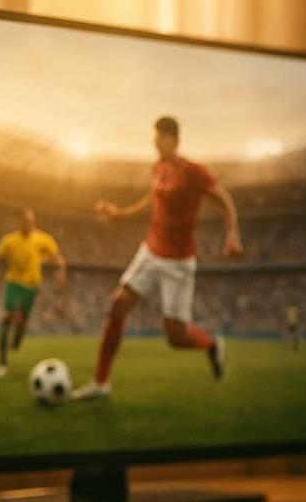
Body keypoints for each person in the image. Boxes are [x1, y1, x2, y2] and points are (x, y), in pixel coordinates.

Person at [71, 115, 242, 400]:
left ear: (173, 139)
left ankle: (212, 345)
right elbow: (152, 200)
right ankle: (100, 383)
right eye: (154, 136)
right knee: (118, 305)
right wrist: (119, 214)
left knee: (176, 337)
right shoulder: (158, 168)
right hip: (150, 251)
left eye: (160, 137)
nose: (155, 142)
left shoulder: (193, 172)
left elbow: (222, 198)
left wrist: (233, 233)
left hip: (178, 262)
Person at [0, 207, 66, 377]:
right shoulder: (9, 240)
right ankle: (2, 363)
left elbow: (57, 258)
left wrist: (61, 270)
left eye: (31, 222)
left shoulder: (44, 239)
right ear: (20, 223)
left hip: (32, 287)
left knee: (22, 321)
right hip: (14, 283)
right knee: (10, 316)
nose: (29, 225)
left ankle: (16, 340)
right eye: (25, 222)